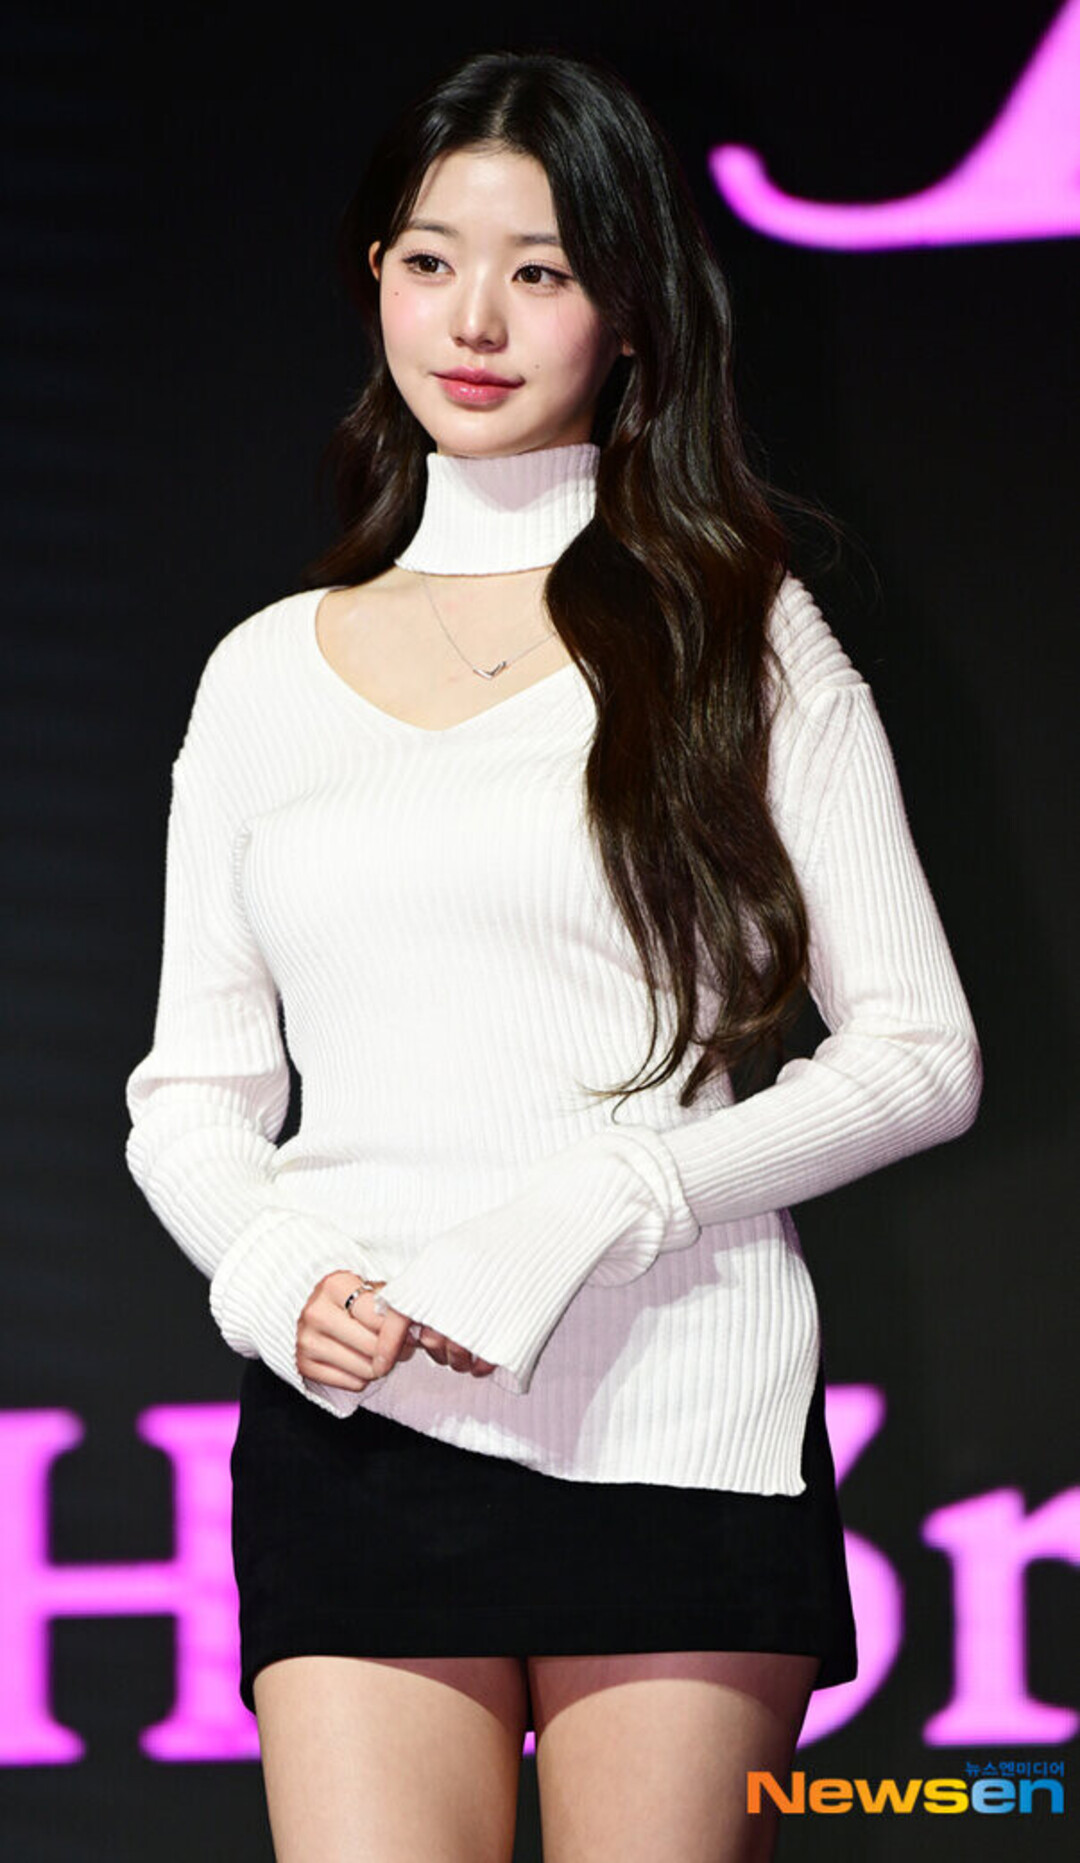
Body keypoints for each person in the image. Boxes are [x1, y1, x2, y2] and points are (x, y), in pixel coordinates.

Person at [124, 47, 982, 1863]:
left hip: (677, 1410)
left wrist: (612, 1194)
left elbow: (919, 1053)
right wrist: (272, 1266)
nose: (477, 321)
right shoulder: (265, 671)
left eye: (543, 270)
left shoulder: (739, 630)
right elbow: (191, 1091)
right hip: (358, 1421)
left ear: (631, 310)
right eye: (433, 262)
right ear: (375, 276)